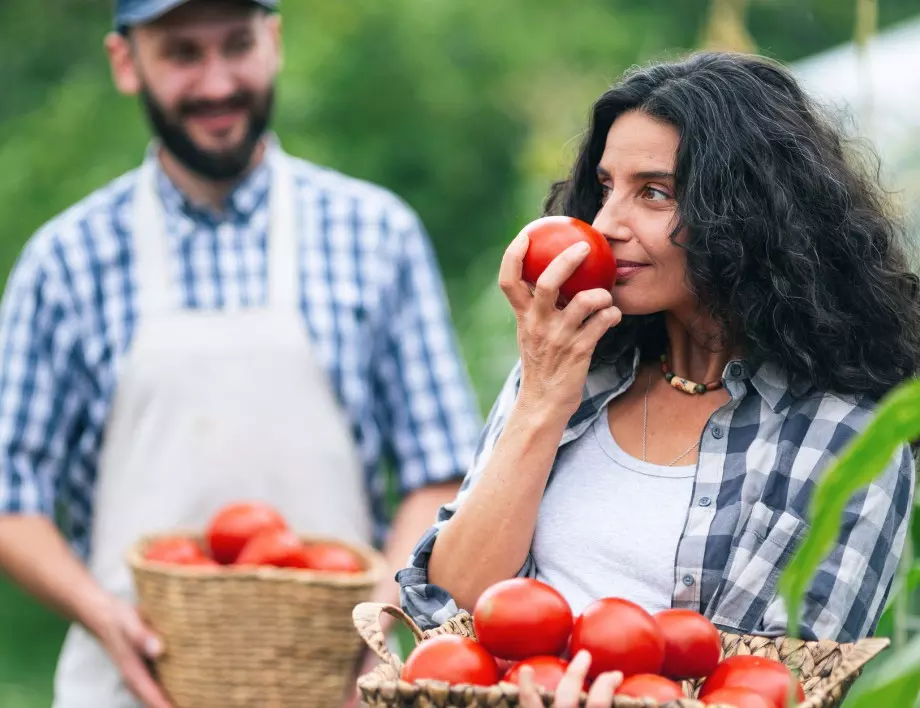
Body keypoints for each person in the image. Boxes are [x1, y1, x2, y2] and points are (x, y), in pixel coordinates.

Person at [0, 1, 483, 707]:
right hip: (130, 687)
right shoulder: (66, 262)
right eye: (183, 54)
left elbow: (440, 474)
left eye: (237, 45)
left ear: (275, 42)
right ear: (125, 62)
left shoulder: (376, 236)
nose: (218, 82)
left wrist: (375, 624)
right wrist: (104, 616)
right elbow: (12, 504)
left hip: (335, 687)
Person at [398, 49, 919, 684]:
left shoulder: (843, 436)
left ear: (747, 214)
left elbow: (765, 681)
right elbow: (453, 608)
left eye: (654, 192)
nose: (605, 223)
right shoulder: (572, 372)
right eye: (606, 188)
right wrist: (541, 398)